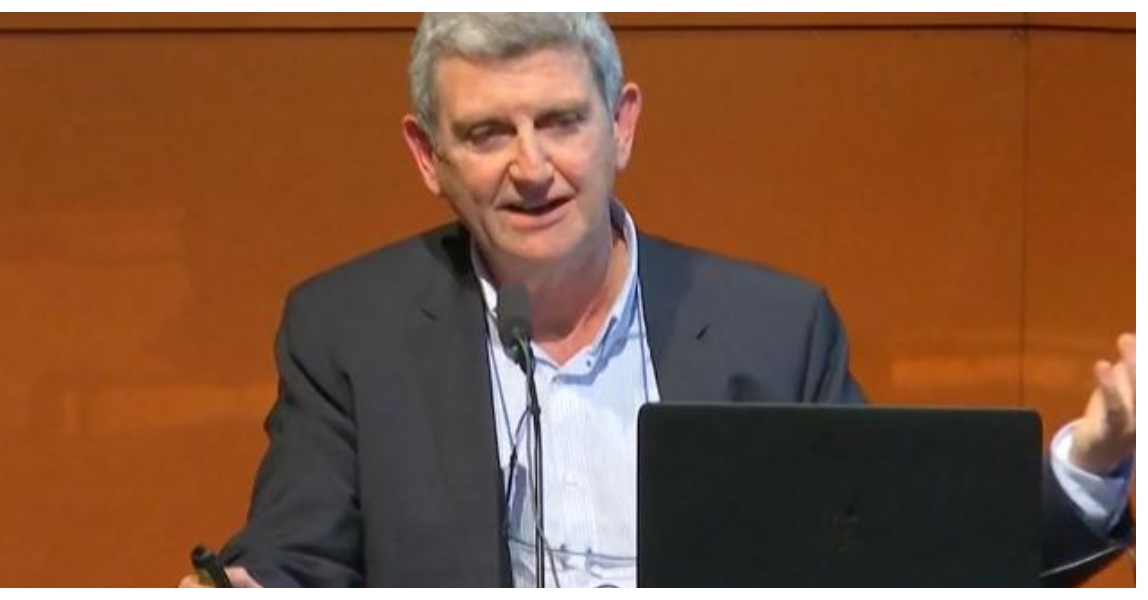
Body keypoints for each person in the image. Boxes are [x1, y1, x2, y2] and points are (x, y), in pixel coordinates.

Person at [180, 13, 1134, 587]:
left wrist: (1090, 463)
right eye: (487, 133)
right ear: (428, 157)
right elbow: (295, 561)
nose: (532, 167)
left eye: (561, 121)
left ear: (622, 126)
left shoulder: (774, 330)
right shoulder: (350, 331)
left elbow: (902, 565)